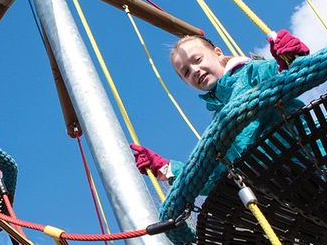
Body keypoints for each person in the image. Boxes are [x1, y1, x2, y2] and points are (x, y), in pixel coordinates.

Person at [130, 30, 310, 194]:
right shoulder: (219, 126)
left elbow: (279, 74)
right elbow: (213, 178)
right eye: (186, 72)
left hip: (308, 157)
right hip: (282, 189)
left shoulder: (250, 72)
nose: (194, 70)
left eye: (197, 60)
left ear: (218, 53)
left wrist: (288, 57)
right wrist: (168, 169)